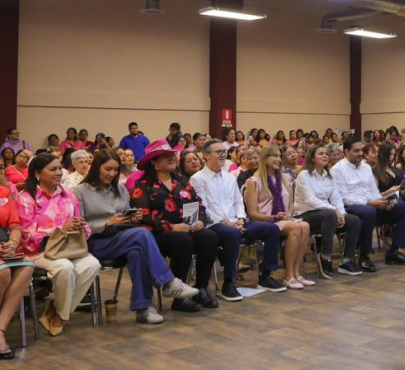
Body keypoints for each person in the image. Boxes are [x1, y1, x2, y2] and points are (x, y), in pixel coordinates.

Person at [75, 150, 200, 324]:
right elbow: (80, 226)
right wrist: (107, 224)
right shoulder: (80, 191)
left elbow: (127, 214)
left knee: (137, 252)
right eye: (107, 169)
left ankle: (143, 308)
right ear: (96, 168)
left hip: (124, 236)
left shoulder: (119, 188)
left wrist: (132, 218)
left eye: (115, 170)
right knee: (142, 233)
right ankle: (168, 282)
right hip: (97, 241)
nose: (112, 174)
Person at [15, 153, 101, 337]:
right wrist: (61, 229)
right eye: (52, 169)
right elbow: (27, 237)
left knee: (92, 264)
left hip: (70, 248)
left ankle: (56, 311)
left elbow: (84, 226)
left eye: (59, 168)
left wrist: (80, 227)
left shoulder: (68, 195)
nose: (59, 173)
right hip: (38, 252)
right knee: (64, 268)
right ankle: (59, 314)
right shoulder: (26, 198)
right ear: (37, 173)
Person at [131, 141, 221, 311]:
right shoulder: (143, 185)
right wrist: (171, 227)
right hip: (159, 234)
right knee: (182, 240)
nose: (172, 158)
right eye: (166, 156)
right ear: (154, 162)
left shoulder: (182, 180)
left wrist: (201, 219)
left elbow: (199, 204)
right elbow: (143, 214)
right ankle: (179, 295)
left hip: (186, 228)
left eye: (172, 155)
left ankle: (201, 288)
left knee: (209, 237)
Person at [190, 139, 285, 298]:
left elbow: (238, 201)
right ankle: (229, 282)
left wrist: (240, 218)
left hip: (236, 221)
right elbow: (203, 207)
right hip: (214, 224)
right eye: (218, 152)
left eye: (224, 152)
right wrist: (226, 222)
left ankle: (266, 275)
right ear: (206, 156)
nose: (222, 155)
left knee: (272, 229)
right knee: (231, 233)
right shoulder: (198, 178)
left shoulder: (229, 177)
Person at [332, 138, 405, 269]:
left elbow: (373, 190)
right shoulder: (337, 170)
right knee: (369, 211)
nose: (360, 153)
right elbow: (343, 198)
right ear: (346, 152)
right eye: (356, 151)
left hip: (372, 205)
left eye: (361, 150)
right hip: (351, 207)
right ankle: (364, 255)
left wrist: (383, 201)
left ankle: (394, 251)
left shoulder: (366, 168)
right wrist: (371, 203)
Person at [244, 146, 313, 289]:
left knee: (305, 226)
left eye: (279, 156)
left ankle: (296, 272)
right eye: (273, 156)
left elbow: (293, 203)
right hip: (265, 221)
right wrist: (274, 216)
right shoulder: (254, 181)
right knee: (294, 228)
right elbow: (252, 213)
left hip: (283, 218)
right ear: (265, 159)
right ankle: (288, 276)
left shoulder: (285, 178)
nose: (278, 159)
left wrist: (288, 212)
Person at [294, 145, 363, 277]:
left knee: (354, 220)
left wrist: (342, 213)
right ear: (312, 158)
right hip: (305, 214)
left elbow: (336, 197)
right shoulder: (304, 175)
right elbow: (311, 200)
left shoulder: (329, 175)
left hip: (326, 214)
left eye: (326, 154)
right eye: (321, 153)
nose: (325, 156)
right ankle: (325, 256)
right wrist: (334, 210)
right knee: (330, 214)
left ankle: (346, 261)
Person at [0, 179, 34, 357]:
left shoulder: (4, 192)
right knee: (3, 272)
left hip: (3, 246)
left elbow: (15, 224)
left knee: (27, 267)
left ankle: (0, 331)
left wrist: (13, 243)